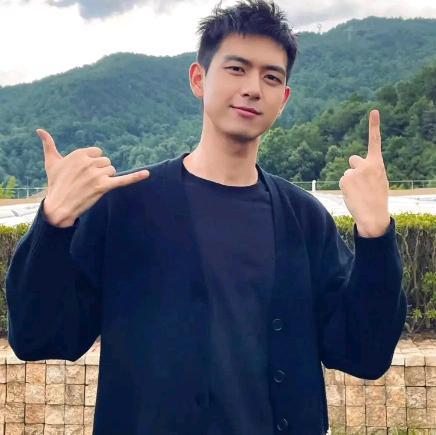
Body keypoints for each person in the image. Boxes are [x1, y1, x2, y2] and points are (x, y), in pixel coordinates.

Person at [5, 0, 407, 434]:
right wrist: (53, 223)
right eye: (236, 68)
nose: (253, 88)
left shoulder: (305, 218)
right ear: (199, 79)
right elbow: (40, 336)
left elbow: (363, 353)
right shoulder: (125, 206)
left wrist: (375, 235)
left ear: (283, 100)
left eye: (271, 77)